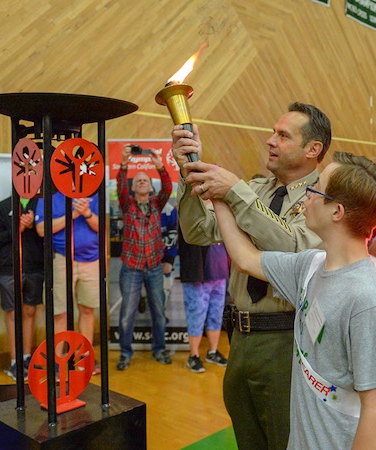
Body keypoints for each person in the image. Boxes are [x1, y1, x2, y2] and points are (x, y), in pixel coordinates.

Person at [171, 102, 330, 450]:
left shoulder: (322, 198)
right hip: (239, 339)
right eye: (273, 132)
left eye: (283, 135)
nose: (270, 141)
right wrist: (189, 176)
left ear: (312, 149)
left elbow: (295, 248)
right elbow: (199, 230)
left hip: (286, 342)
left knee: (285, 441)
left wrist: (235, 193)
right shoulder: (257, 189)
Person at [213, 151, 376, 449]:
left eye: (315, 191)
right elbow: (246, 258)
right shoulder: (309, 266)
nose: (305, 200)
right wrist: (219, 196)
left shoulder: (366, 300)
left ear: (336, 211)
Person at [115, 145, 173, 370]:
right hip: (131, 267)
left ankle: (159, 350)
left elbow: (167, 186)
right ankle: (125, 353)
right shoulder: (126, 204)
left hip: (155, 267)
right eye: (138, 179)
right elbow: (120, 183)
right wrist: (124, 163)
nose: (141, 181)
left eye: (145, 180)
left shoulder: (157, 204)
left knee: (159, 312)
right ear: (132, 186)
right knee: (126, 315)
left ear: (150, 187)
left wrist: (159, 165)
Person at [35, 192, 100, 374]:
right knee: (60, 313)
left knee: (87, 309)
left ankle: (84, 358)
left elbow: (100, 227)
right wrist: (72, 214)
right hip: (62, 259)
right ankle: (56, 362)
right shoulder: (50, 197)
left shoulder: (94, 195)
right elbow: (41, 229)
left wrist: (86, 212)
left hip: (92, 259)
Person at [0, 195, 44, 381]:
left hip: (35, 267)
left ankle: (26, 358)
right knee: (13, 314)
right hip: (9, 268)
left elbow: (47, 235)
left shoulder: (41, 203)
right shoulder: (4, 204)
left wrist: (32, 226)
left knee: (30, 311)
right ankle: (15, 361)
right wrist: (17, 229)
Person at [178, 222, 230, 373]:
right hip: (198, 274)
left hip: (219, 273)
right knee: (196, 315)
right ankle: (193, 355)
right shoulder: (191, 211)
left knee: (216, 315)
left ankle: (212, 352)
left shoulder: (220, 210)